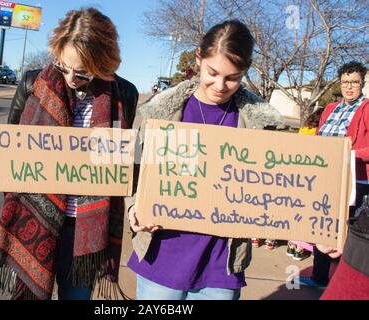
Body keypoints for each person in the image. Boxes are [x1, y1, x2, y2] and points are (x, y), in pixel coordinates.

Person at [0, 7, 139, 300]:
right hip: (33, 221)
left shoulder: (124, 94)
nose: (71, 78)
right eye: (63, 66)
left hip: (86, 233)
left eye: (83, 71)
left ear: (104, 63)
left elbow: (125, 163)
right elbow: (4, 155)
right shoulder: (31, 84)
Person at [125, 20, 284, 300]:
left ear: (245, 71)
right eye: (212, 72)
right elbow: (131, 170)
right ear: (199, 59)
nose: (220, 85)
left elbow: (276, 187)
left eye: (232, 77)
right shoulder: (159, 113)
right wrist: (133, 209)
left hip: (221, 264)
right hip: (162, 254)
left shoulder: (260, 125)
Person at [299, 61, 369, 289]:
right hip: (327, 178)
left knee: (349, 236)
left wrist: (349, 154)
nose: (349, 87)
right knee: (323, 225)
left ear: (362, 83)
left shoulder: (367, 109)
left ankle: (344, 285)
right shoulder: (330, 108)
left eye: (355, 82)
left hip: (356, 181)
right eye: (345, 82)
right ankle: (319, 278)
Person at [287, 107, 324, 261]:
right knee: (310, 213)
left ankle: (293, 245)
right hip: (313, 176)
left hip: (297, 173)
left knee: (296, 210)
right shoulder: (320, 132)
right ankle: (302, 247)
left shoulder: (304, 129)